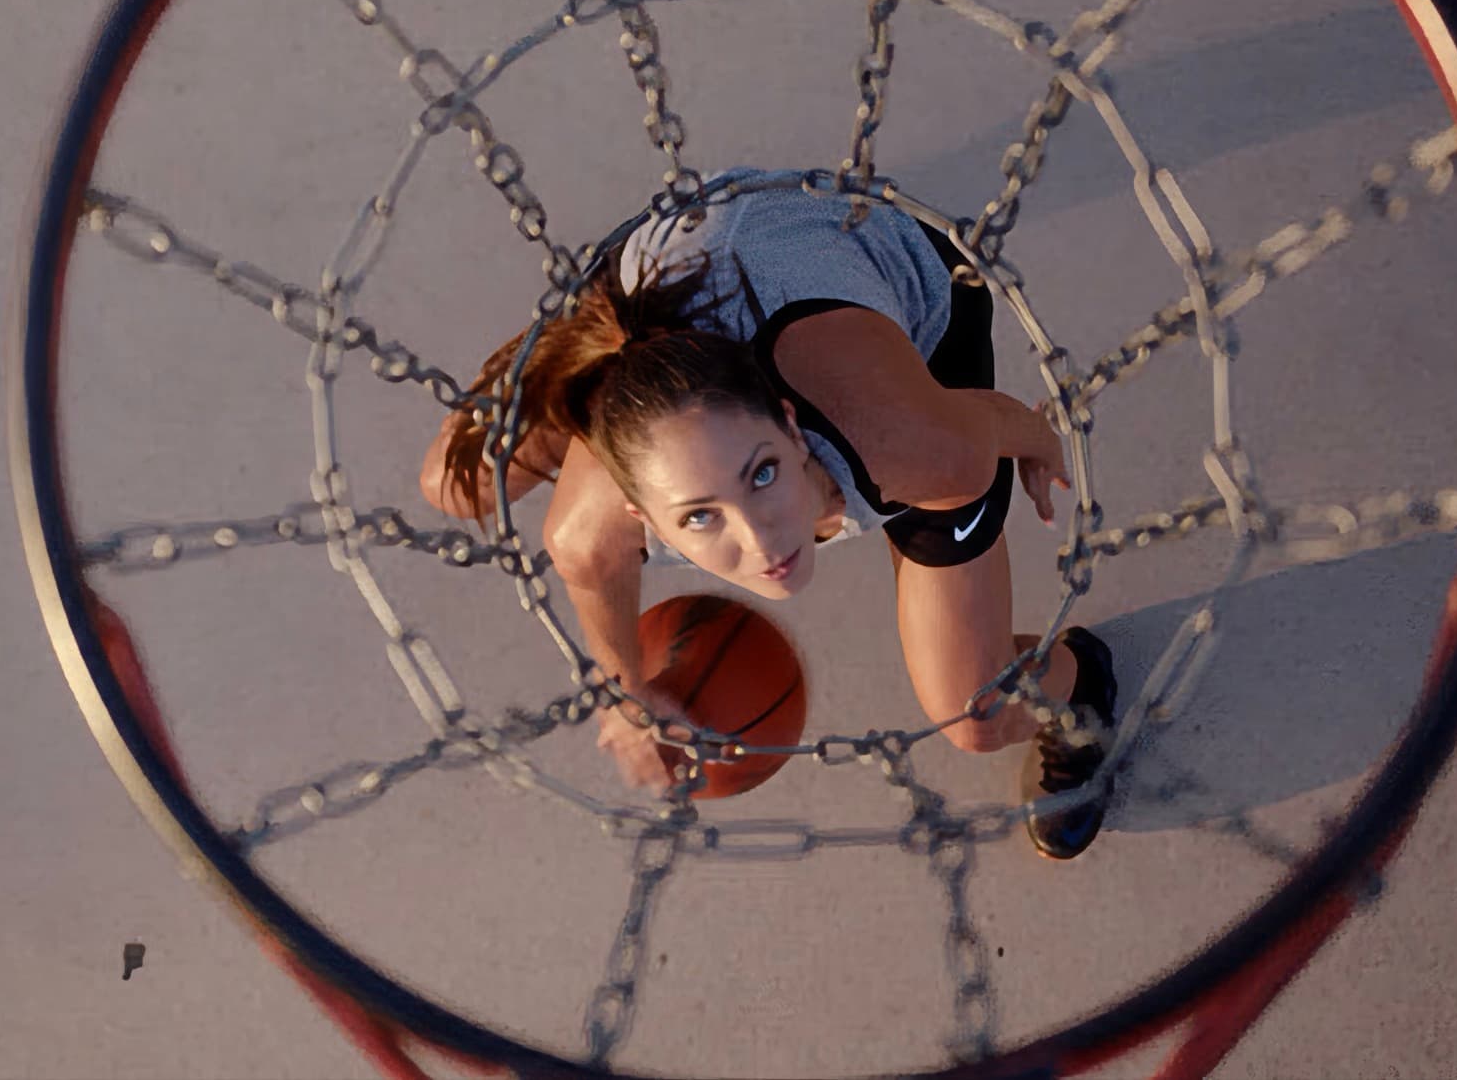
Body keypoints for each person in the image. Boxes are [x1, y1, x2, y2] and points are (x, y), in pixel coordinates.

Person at [417, 172, 1120, 859]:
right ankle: (595, 339)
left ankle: (1084, 682)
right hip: (684, 273)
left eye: (761, 473)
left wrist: (1032, 444)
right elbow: (593, 579)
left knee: (978, 712)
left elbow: (995, 429)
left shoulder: (909, 444)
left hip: (885, 278)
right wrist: (625, 694)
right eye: (699, 516)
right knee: (450, 485)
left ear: (790, 425)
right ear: (640, 513)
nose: (761, 538)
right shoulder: (590, 533)